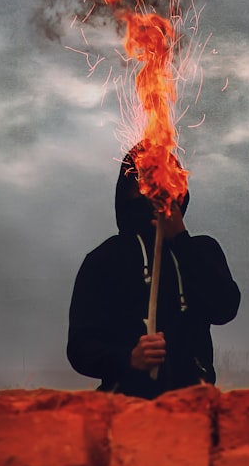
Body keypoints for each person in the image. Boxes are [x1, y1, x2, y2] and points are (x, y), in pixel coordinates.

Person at [67, 146, 240, 399]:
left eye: (167, 181)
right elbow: (80, 348)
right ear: (128, 190)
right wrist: (129, 358)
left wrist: (181, 240)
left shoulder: (203, 249)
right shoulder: (105, 259)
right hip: (126, 409)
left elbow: (224, 308)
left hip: (194, 408)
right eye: (146, 181)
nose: (158, 193)